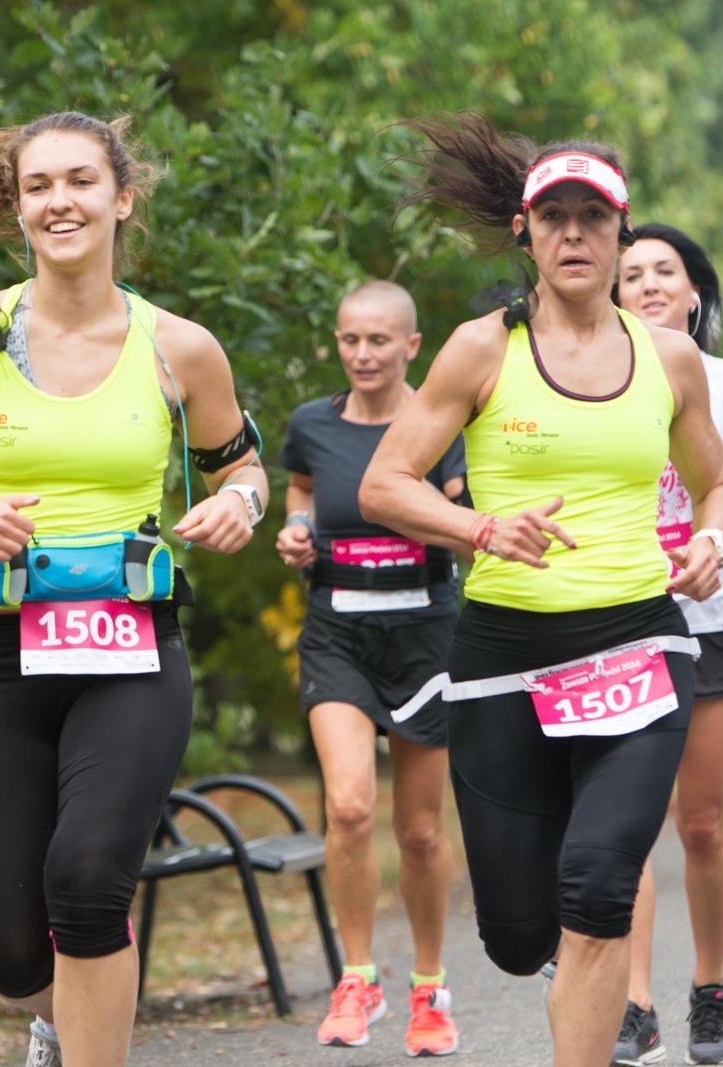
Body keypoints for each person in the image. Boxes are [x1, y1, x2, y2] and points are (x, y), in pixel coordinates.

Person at [0, 83, 268, 1067]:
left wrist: (240, 503)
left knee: (87, 882)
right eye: (38, 185)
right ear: (18, 204)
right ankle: (58, 1017)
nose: (59, 200)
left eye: (81, 179)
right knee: (5, 941)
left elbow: (239, 465)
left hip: (131, 645)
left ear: (122, 197)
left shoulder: (178, 347)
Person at [360, 111, 723, 1067]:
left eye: (594, 218)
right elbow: (385, 484)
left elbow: (717, 482)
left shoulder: (670, 359)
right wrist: (480, 527)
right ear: (524, 232)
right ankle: (567, 980)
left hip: (639, 646)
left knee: (601, 887)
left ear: (623, 235)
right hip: (504, 659)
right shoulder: (482, 348)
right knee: (519, 932)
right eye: (554, 217)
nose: (575, 235)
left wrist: (712, 538)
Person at [611, 224, 723, 1064]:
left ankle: (709, 988)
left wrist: (702, 424)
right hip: (616, 617)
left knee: (702, 820)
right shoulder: (590, 383)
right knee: (625, 821)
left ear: (693, 294)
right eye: (632, 274)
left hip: (714, 622)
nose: (648, 285)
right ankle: (634, 1001)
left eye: (664, 273)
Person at [275, 280, 464, 1056]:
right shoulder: (311, 425)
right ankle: (357, 977)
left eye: (379, 340)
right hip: (336, 631)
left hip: (425, 634)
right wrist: (293, 527)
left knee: (419, 830)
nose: (362, 353)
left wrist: (462, 511)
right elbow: (302, 489)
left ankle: (428, 986)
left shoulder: (439, 420)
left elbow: (461, 510)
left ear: (411, 345)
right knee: (349, 807)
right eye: (350, 338)